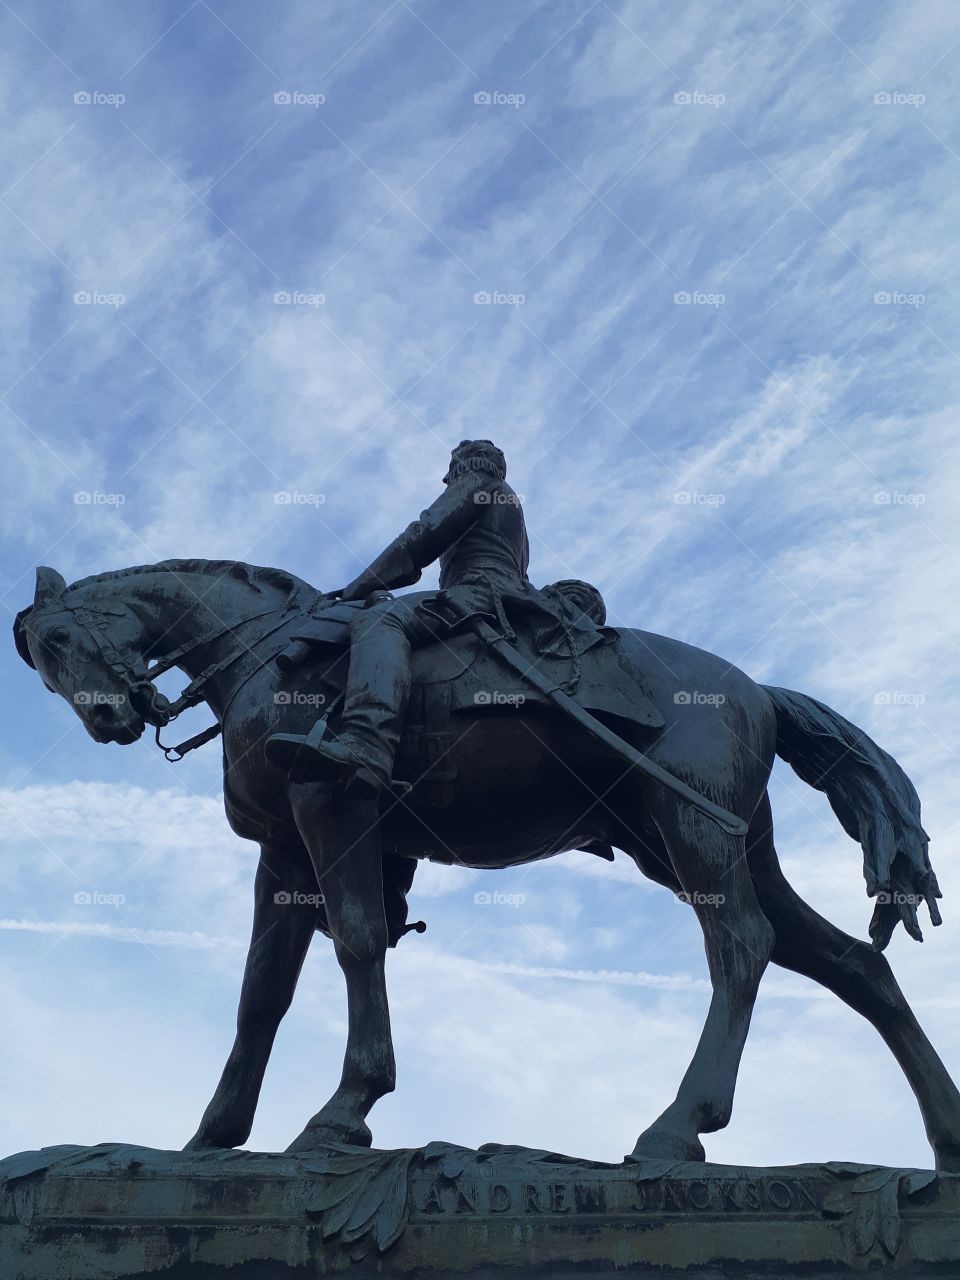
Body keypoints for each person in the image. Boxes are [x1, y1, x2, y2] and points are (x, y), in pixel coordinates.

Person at [265, 439, 600, 791]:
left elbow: (425, 532)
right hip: (495, 593)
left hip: (479, 592)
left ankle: (366, 745)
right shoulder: (510, 503)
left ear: (466, 463)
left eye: (451, 468)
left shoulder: (481, 483)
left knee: (382, 620)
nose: (446, 477)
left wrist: (358, 587)